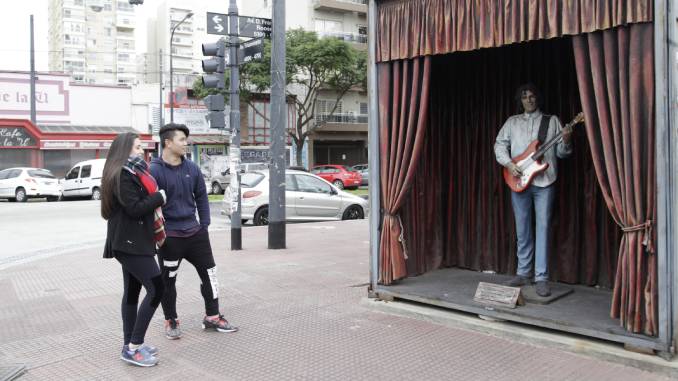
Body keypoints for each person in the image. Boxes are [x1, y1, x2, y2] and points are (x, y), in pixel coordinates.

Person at [150, 123, 238, 339]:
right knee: (167, 282)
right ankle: (171, 320)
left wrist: (204, 225)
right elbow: (150, 206)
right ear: (168, 142)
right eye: (181, 140)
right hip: (170, 239)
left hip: (195, 234)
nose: (185, 143)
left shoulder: (192, 168)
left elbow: (201, 196)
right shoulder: (154, 171)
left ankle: (213, 317)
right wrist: (159, 236)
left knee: (210, 275)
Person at [494, 84, 573, 297]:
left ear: (538, 98)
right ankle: (523, 272)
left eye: (532, 96)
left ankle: (541, 277)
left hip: (544, 181)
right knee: (522, 229)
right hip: (518, 180)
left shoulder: (552, 121)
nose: (529, 100)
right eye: (525, 97)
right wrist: (510, 164)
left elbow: (563, 154)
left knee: (543, 227)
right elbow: (499, 145)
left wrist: (566, 140)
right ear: (520, 100)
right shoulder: (512, 122)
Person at [101, 132, 167, 367]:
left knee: (132, 293)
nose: (141, 151)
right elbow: (134, 208)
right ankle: (133, 346)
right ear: (125, 150)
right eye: (138, 147)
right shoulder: (122, 174)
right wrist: (159, 197)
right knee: (157, 289)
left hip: (134, 241)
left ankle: (129, 344)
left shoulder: (129, 172)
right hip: (130, 244)